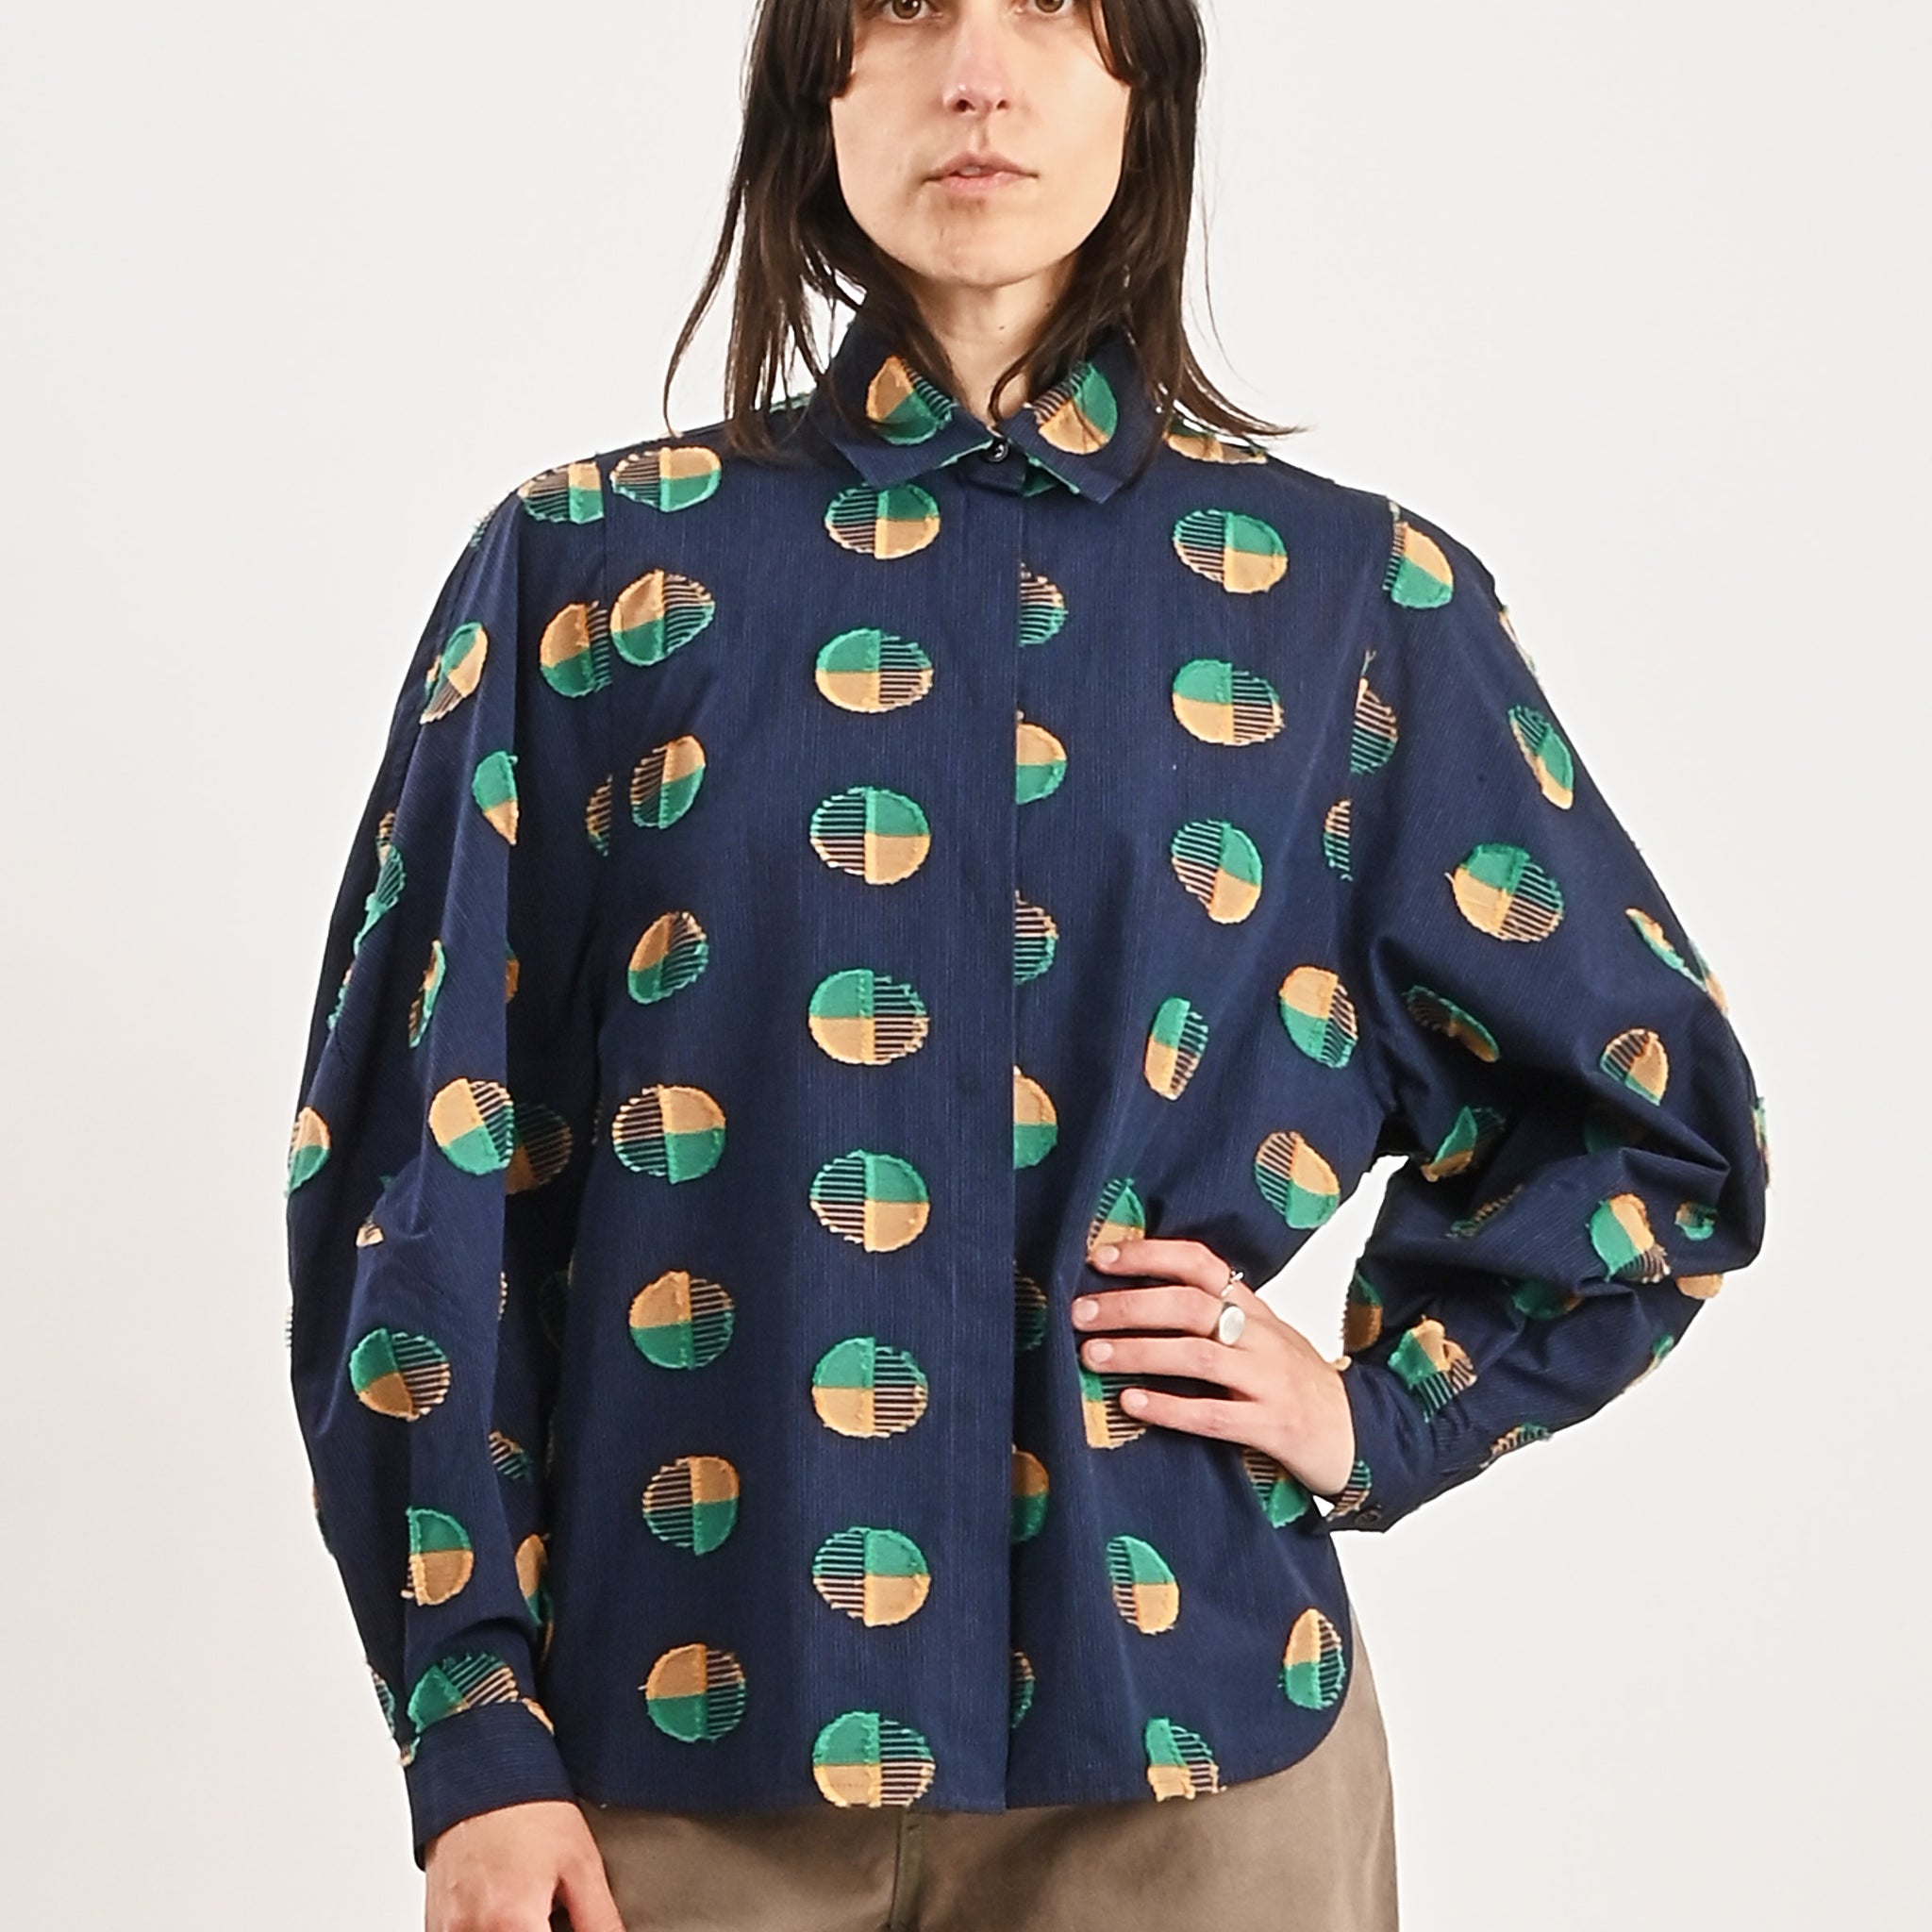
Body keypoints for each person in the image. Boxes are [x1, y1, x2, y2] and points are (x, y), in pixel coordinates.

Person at [283, 3, 1771, 1928]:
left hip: (1189, 1749)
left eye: (1053, 13)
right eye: (906, 10)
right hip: (671, 1746)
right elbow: (410, 1166)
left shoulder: (1355, 607)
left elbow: (1652, 1121)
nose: (978, 74)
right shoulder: (586, 574)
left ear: (1143, 89)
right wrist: (471, 1724)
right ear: (813, 91)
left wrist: (1377, 1408)